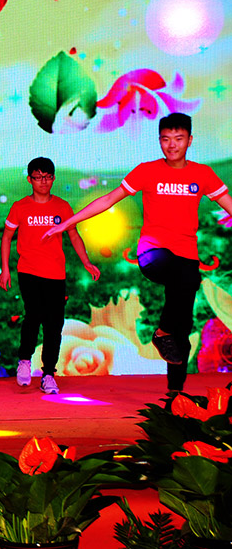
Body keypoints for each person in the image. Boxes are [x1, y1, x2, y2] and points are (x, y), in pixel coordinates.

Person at [45, 113, 231, 392]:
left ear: (189, 141)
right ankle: (162, 332)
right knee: (187, 281)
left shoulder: (202, 174)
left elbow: (229, 204)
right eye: (166, 139)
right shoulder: (147, 171)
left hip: (186, 257)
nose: (172, 145)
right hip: (153, 253)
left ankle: (175, 394)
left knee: (182, 327)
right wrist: (68, 223)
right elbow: (109, 199)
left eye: (178, 139)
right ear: (159, 141)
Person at [0, 157, 100, 395]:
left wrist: (86, 261)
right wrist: (5, 268)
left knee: (54, 324)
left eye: (47, 177)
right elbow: (7, 237)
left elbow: (73, 235)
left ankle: (48, 375)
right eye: (38, 177)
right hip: (28, 270)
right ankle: (25, 361)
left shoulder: (62, 207)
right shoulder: (20, 207)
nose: (43, 182)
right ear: (30, 179)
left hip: (55, 273)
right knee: (33, 315)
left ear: (53, 178)